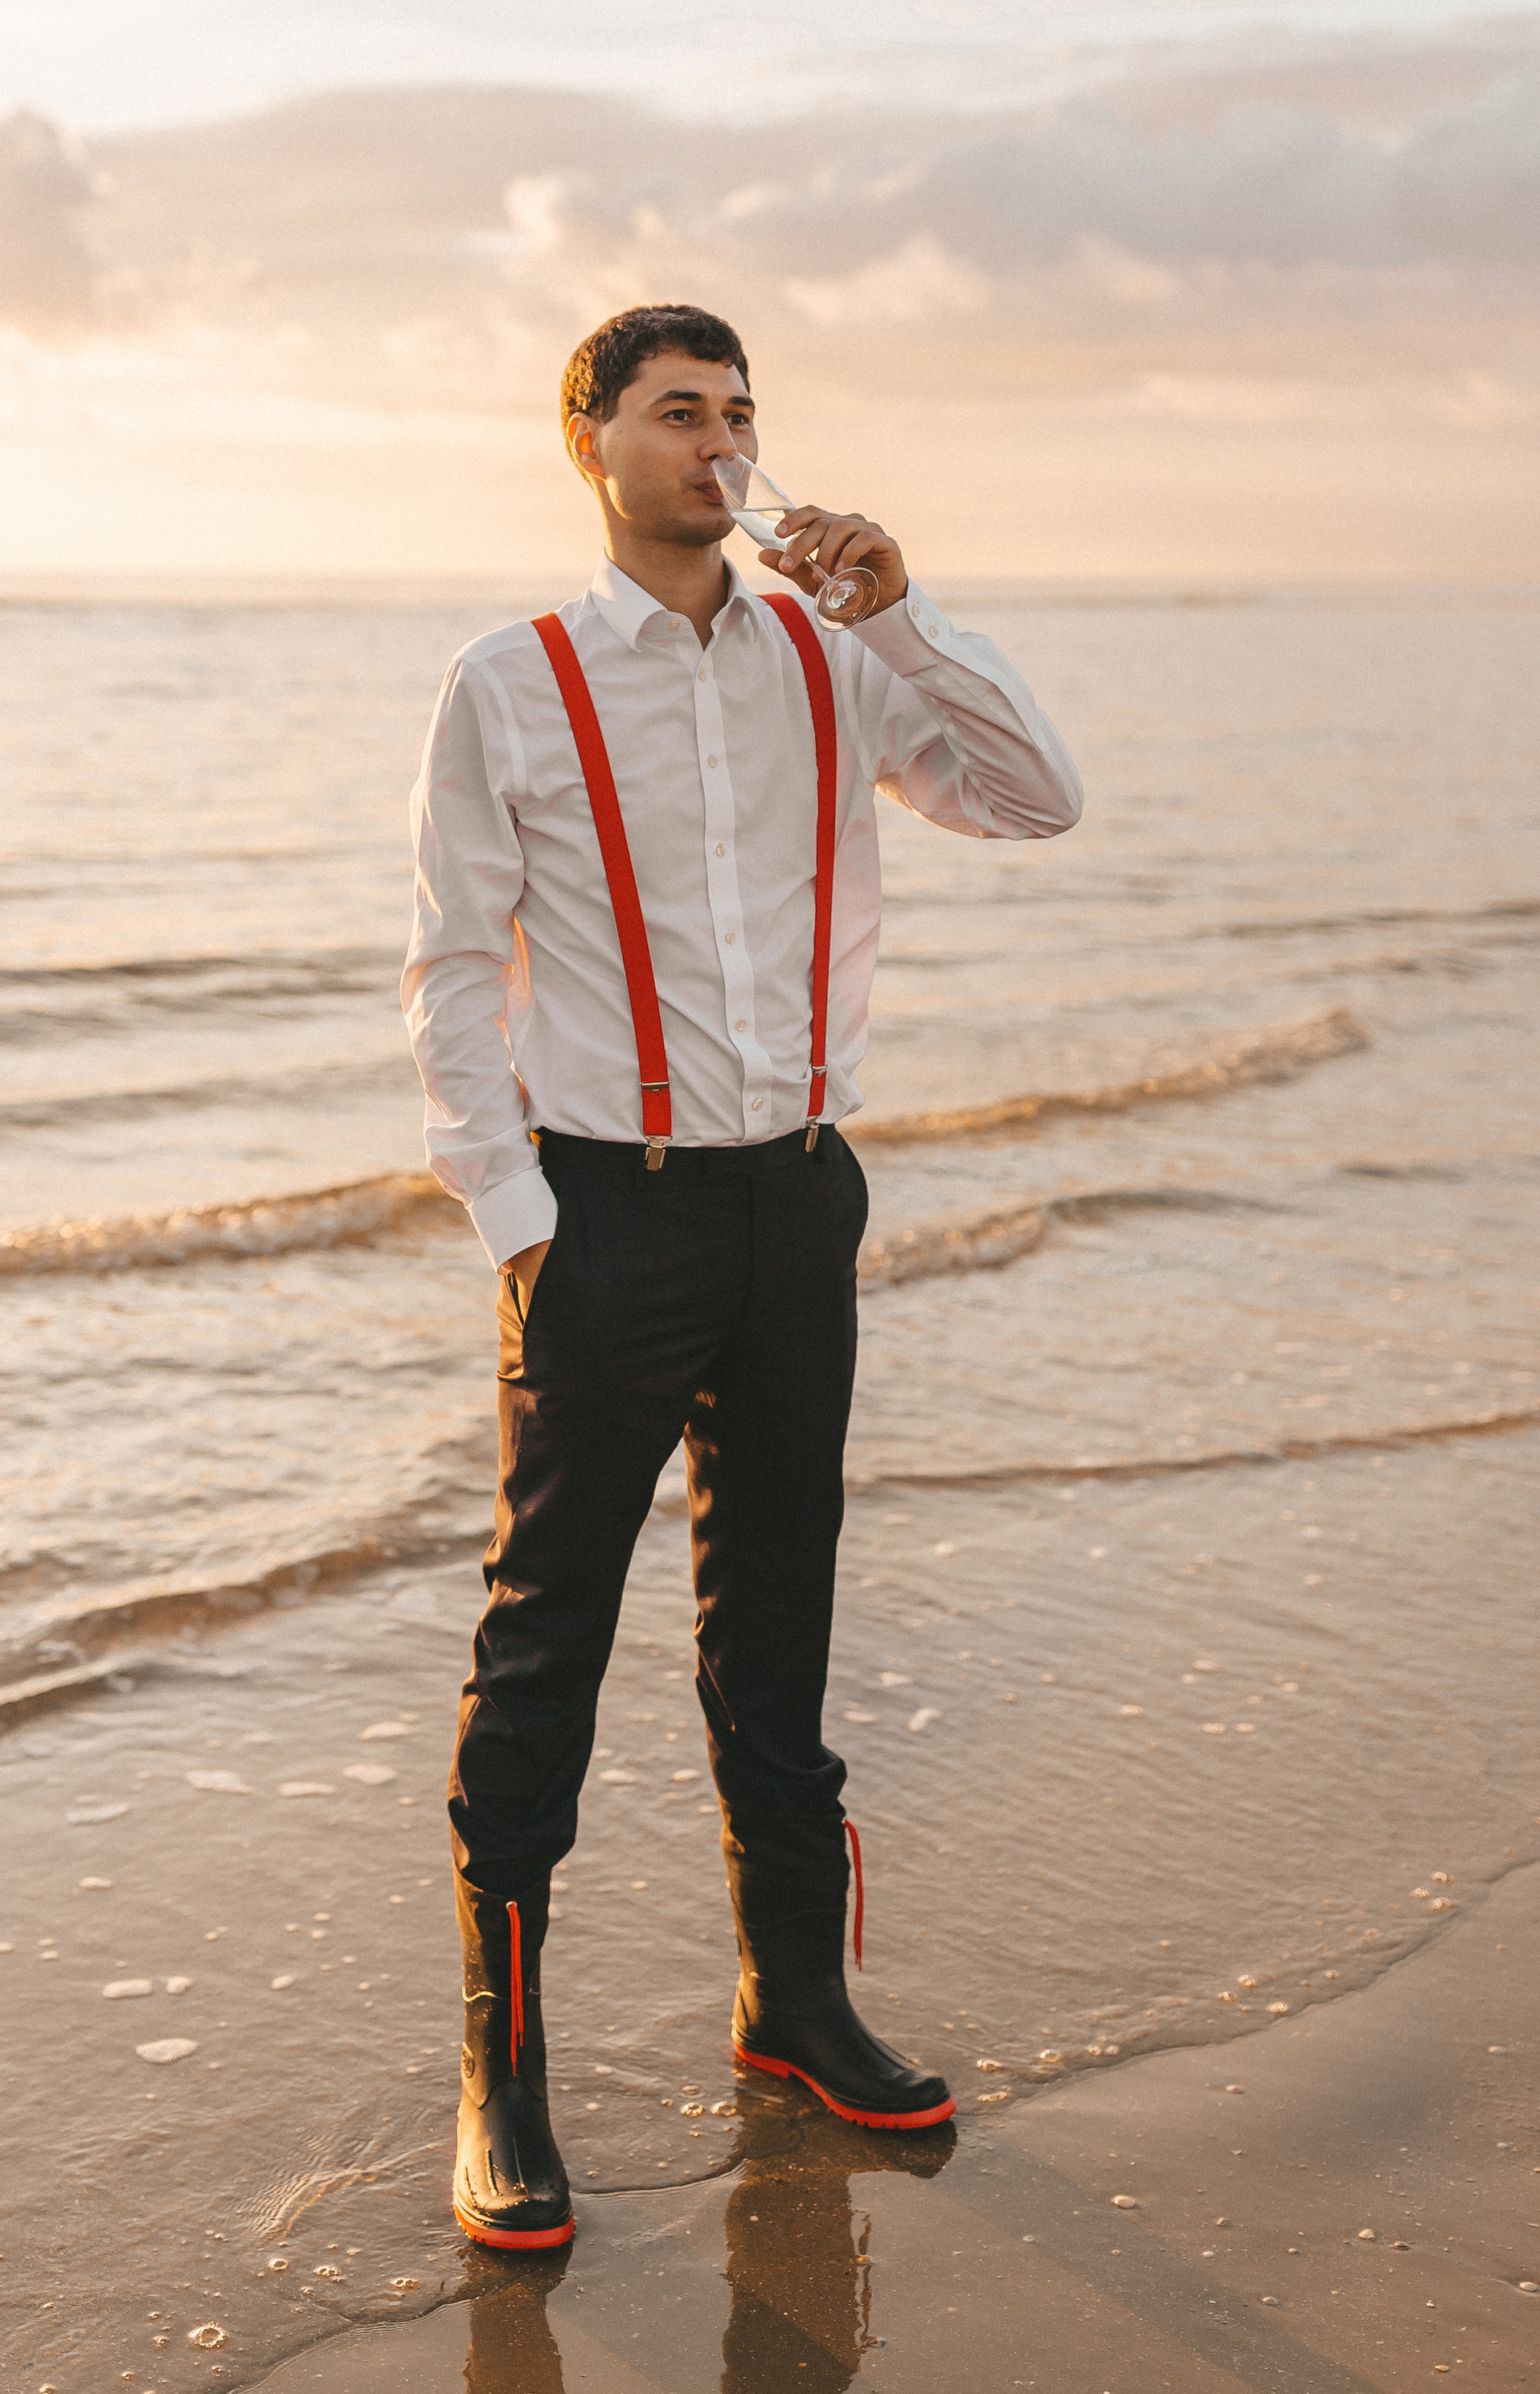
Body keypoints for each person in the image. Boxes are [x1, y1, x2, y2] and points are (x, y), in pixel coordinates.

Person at [403, 303, 1082, 2250]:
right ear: (591, 444)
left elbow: (1033, 800)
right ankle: (498, 2084)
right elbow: (454, 967)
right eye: (677, 412)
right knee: (543, 1646)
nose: (718, 441)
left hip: (796, 1204)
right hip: (600, 1213)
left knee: (773, 1622)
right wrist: (516, 1221)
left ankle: (795, 2006)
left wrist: (897, 613)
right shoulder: (508, 682)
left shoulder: (825, 658)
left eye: (738, 413)